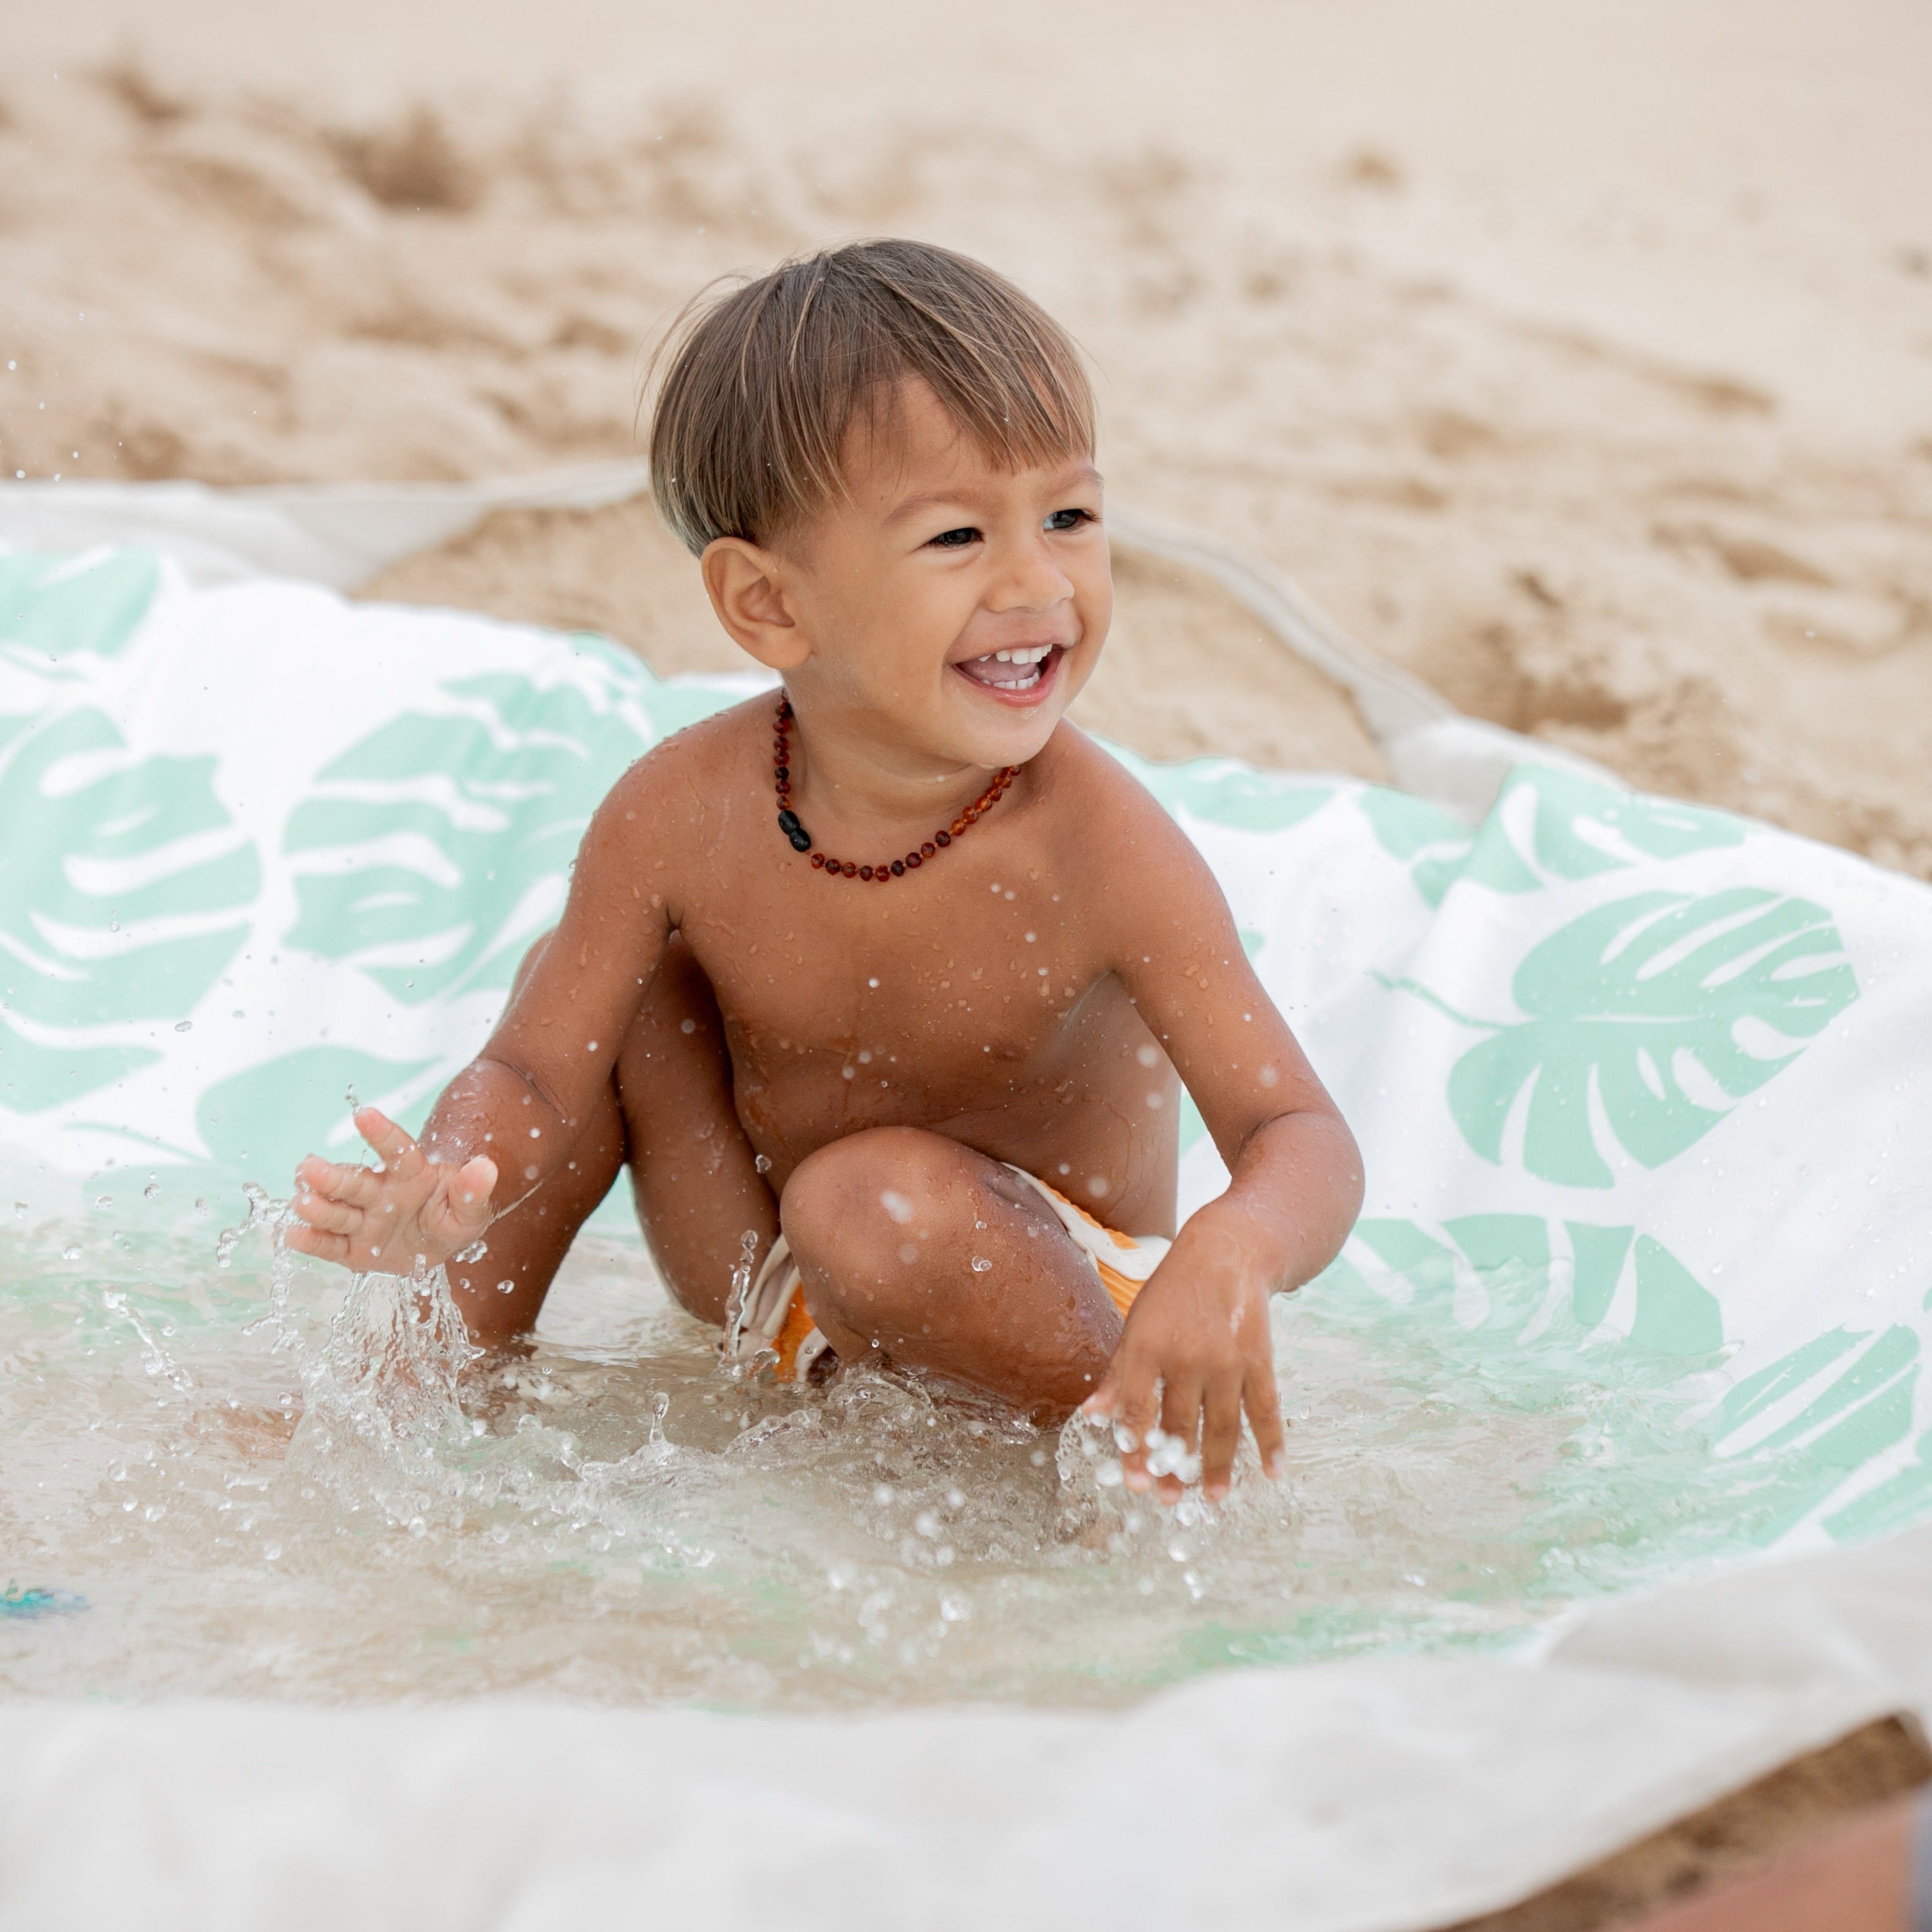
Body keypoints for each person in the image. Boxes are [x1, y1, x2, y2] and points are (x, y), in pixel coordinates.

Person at [286, 239, 1362, 1504]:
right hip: (787, 1291)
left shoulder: (1098, 842)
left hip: (1067, 1313)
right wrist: (450, 1179)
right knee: (607, 984)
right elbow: (533, 1067)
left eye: (1069, 516)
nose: (1038, 581)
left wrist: (1230, 1253)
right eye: (960, 535)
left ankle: (1134, 1473)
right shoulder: (683, 809)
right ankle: (421, 1401)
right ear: (768, 607)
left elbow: (1303, 1134)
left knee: (866, 1198)